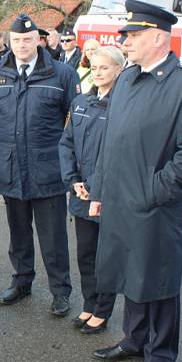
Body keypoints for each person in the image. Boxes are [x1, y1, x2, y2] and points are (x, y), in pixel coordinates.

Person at [90, 0, 182, 362]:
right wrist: (100, 189)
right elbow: (112, 138)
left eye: (133, 35)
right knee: (130, 273)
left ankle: (160, 355)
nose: (125, 41)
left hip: (156, 203)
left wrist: (154, 190)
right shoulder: (127, 78)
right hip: (120, 197)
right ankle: (134, 339)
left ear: (159, 37)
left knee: (157, 279)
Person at [0, 14, 78, 316]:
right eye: (17, 40)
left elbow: (74, 119)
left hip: (47, 168)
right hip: (10, 167)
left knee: (53, 237)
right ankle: (22, 282)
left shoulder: (61, 74)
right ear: (10, 41)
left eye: (28, 39)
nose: (22, 45)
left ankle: (60, 291)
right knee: (18, 233)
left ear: (40, 40)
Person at [59, 46, 124, 335]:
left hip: (106, 195)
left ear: (119, 71)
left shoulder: (123, 107)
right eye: (95, 68)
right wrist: (73, 180)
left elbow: (116, 154)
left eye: (105, 68)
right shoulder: (80, 103)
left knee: (105, 255)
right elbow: (67, 144)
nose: (98, 73)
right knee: (85, 253)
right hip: (81, 193)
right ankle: (89, 303)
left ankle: (103, 310)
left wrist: (95, 187)